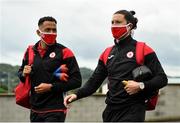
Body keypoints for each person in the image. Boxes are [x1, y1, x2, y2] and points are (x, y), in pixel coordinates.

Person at [64, 10, 168, 122]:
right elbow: (94, 82)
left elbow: (162, 78)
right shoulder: (107, 53)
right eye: (112, 22)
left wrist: (140, 85)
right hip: (110, 111)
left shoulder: (143, 49)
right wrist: (76, 95)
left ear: (129, 26)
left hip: (133, 110)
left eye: (118, 22)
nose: (114, 25)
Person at [18, 16, 82, 122]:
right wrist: (23, 74)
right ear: (38, 33)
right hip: (35, 109)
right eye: (48, 30)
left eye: (54, 30)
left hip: (56, 109)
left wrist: (51, 87)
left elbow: (76, 81)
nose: (52, 32)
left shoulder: (65, 52)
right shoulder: (30, 51)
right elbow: (21, 75)